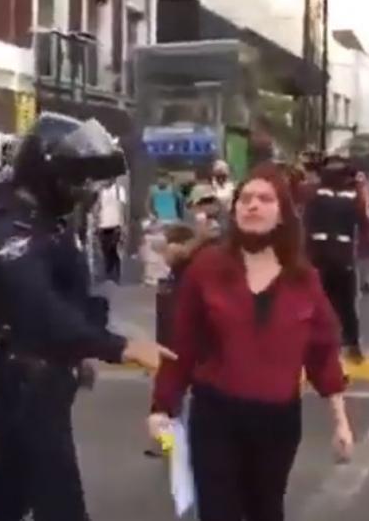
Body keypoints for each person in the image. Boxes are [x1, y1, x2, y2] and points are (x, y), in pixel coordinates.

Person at [0, 112, 174, 521]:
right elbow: (37, 306)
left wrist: (81, 349)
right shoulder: (9, 227)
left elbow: (74, 297)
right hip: (20, 379)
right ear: (49, 175)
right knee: (59, 501)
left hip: (42, 376)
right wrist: (121, 346)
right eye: (77, 180)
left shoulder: (48, 222)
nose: (86, 191)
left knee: (9, 491)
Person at [148, 163, 354, 521]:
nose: (252, 206)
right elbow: (181, 345)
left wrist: (340, 420)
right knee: (218, 511)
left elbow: (322, 353)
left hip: (277, 420)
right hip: (216, 413)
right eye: (245, 199)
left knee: (265, 510)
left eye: (265, 199)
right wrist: (161, 408)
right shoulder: (207, 268)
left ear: (282, 214)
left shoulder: (303, 279)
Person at [303, 155, 369, 363]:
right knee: (330, 303)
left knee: (342, 304)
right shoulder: (321, 193)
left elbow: (364, 223)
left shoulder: (321, 193)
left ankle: (350, 344)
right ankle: (343, 344)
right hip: (328, 256)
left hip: (334, 256)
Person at [96, 177, 127, 283]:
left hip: (116, 224)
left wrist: (123, 225)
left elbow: (123, 208)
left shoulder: (119, 190)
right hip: (103, 225)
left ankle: (116, 276)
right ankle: (108, 275)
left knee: (114, 250)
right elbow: (97, 208)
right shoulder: (100, 192)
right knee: (105, 251)